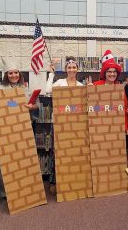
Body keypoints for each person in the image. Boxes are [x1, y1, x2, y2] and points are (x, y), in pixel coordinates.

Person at [0, 58, 38, 198]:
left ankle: (24, 189)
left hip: (23, 132)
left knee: (23, 161)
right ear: (6, 75)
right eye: (10, 73)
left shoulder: (26, 89)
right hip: (6, 133)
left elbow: (36, 105)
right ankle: (8, 192)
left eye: (16, 72)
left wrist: (32, 106)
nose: (14, 75)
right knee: (8, 163)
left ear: (20, 74)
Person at [45, 56, 83, 195]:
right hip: (59, 124)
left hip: (74, 125)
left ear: (77, 69)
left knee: (72, 152)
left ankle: (71, 180)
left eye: (74, 67)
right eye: (69, 67)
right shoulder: (60, 83)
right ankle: (54, 181)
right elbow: (48, 90)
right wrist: (51, 75)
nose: (72, 70)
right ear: (66, 69)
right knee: (57, 153)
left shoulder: (81, 86)